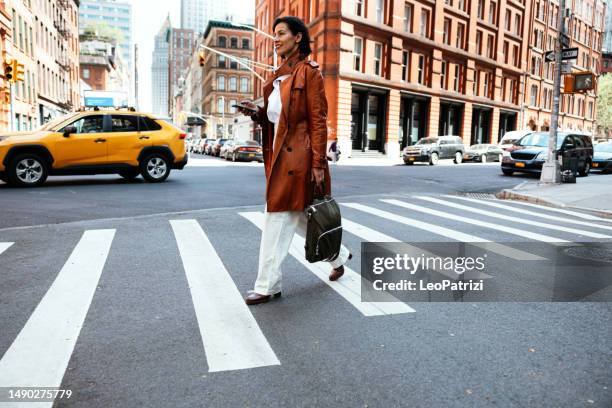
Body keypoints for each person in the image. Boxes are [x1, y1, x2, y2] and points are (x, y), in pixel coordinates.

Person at [237, 16, 351, 305]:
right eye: (274, 34)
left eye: (281, 33)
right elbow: (277, 119)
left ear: (298, 37)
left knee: (276, 216)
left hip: (298, 158)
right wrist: (258, 113)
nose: (276, 39)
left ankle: (267, 285)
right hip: (280, 155)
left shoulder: (309, 73)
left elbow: (318, 122)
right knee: (299, 216)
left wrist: (317, 164)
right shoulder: (278, 77)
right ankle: (338, 256)